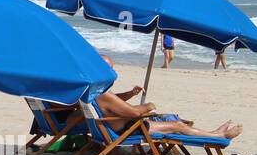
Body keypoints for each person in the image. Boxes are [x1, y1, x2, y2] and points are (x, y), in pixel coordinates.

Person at [87, 55, 241, 140]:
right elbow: (133, 113)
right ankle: (220, 135)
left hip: (121, 126)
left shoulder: (95, 90)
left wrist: (130, 94)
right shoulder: (103, 93)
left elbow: (113, 104)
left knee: (174, 122)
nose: (111, 73)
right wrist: (148, 106)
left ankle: (214, 133)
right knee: (178, 126)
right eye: (109, 69)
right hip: (129, 129)